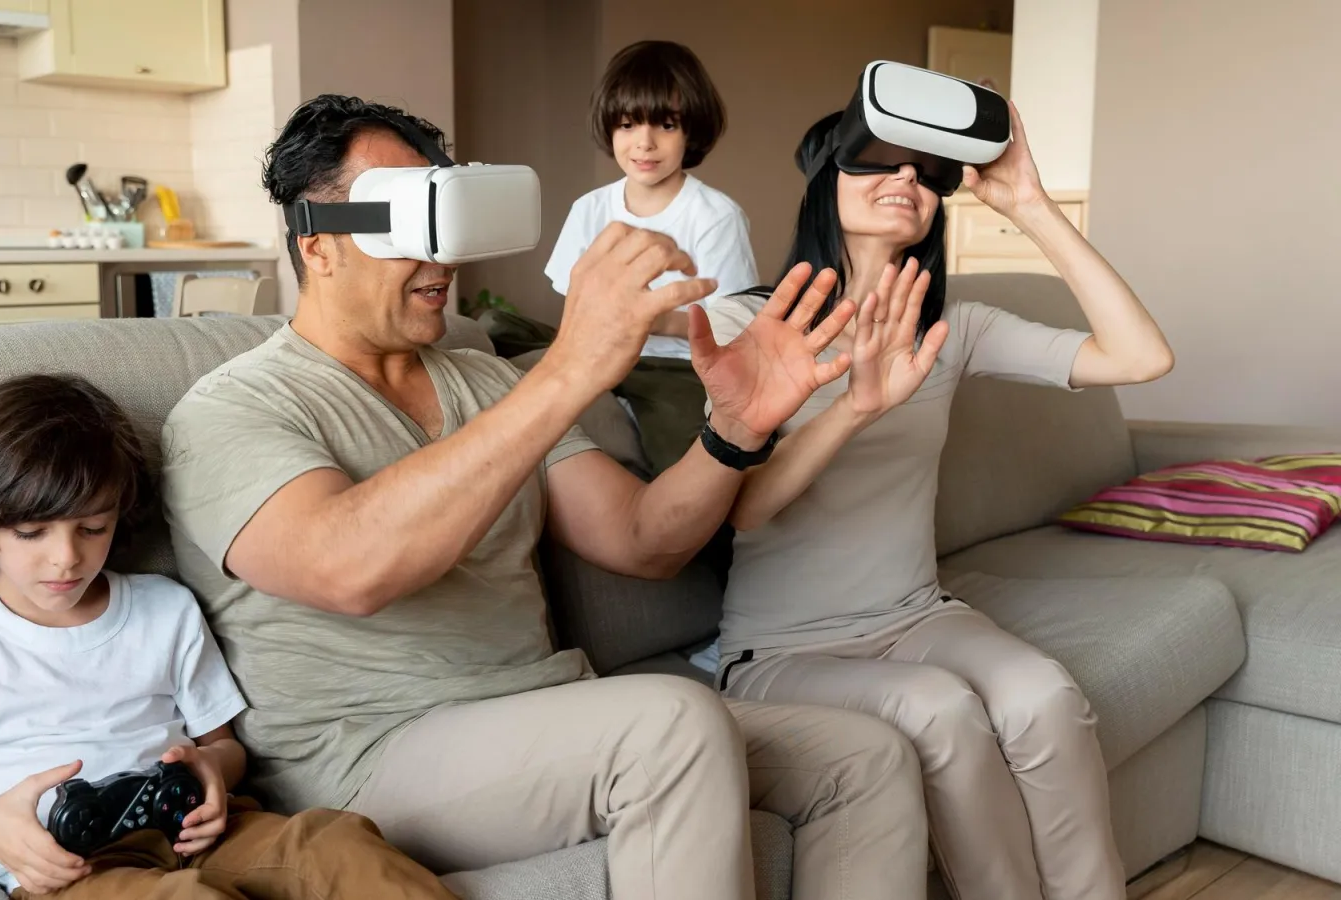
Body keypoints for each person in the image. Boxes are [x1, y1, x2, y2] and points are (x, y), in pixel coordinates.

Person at [161, 94, 929, 900]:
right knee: (670, 721)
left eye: (445, 218)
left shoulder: (487, 379)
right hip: (366, 757)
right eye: (408, 226)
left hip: (543, 715)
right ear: (318, 247)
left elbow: (645, 543)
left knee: (865, 758)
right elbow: (351, 567)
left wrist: (733, 434)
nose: (441, 258)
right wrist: (569, 366)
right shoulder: (232, 409)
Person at [702, 100, 1174, 900]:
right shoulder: (751, 321)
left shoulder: (953, 328)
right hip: (782, 647)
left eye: (926, 171)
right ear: (827, 180)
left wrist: (1030, 205)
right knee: (943, 709)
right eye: (878, 160)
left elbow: (1141, 356)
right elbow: (745, 508)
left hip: (919, 615)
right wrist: (856, 406)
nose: (905, 177)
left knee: (1044, 695)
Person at [0, 374, 456, 900]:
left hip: (197, 826)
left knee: (336, 843)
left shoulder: (165, 610)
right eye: (33, 534)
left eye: (92, 528)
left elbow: (225, 748)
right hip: (75, 870)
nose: (66, 559)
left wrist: (213, 771)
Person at [544, 39, 758, 360]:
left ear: (690, 130)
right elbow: (574, 310)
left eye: (666, 125)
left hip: (683, 372)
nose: (645, 143)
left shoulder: (717, 216)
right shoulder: (588, 209)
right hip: (601, 362)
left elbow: (736, 325)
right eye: (628, 125)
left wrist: (657, 320)